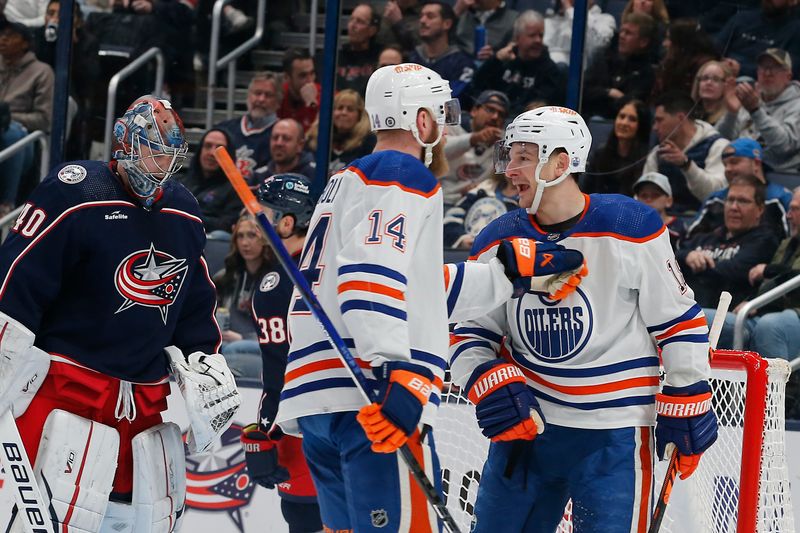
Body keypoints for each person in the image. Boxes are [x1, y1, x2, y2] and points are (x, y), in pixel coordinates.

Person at [272, 64, 587, 532]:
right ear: (422, 121)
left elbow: (410, 289)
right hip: (371, 396)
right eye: (441, 115)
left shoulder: (346, 181)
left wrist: (504, 276)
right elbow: (368, 274)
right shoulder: (403, 172)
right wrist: (397, 372)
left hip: (321, 400)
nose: (444, 129)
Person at [449, 105, 718, 532]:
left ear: (560, 163)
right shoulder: (497, 238)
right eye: (509, 156)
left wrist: (688, 391)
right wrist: (483, 375)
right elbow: (470, 331)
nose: (510, 170)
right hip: (529, 428)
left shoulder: (630, 226)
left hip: (613, 436)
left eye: (523, 157)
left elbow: (678, 321)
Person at [0, 95, 240, 532]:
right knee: (45, 517)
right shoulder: (76, 190)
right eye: (153, 148)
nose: (161, 162)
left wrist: (204, 356)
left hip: (144, 402)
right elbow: (19, 279)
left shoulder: (183, 211)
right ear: (124, 140)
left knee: (142, 520)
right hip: (66, 389)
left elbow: (195, 300)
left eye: (169, 152)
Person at [239, 173, 324, 533]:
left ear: (286, 223)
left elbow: (278, 374)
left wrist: (263, 432)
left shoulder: (275, 286)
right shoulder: (339, 265)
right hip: (356, 425)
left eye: (264, 214)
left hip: (302, 434)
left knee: (306, 522)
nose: (255, 223)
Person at [702, 186, 800, 356]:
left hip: (791, 315)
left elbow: (791, 281)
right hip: (763, 312)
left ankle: (775, 382)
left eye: (795, 209)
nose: (788, 215)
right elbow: (772, 284)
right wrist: (752, 301)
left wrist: (768, 270)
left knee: (769, 326)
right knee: (701, 319)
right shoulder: (787, 243)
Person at [676, 174, 780, 310]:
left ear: (760, 209)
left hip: (724, 314)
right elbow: (670, 260)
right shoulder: (706, 237)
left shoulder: (765, 240)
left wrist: (692, 267)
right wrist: (688, 256)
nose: (734, 207)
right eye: (730, 200)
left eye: (743, 201)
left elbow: (734, 271)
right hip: (687, 308)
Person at [686, 138, 792, 240]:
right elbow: (688, 239)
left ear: (756, 163)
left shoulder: (781, 198)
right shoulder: (715, 200)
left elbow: (791, 242)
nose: (727, 169)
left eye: (734, 162)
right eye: (725, 164)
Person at [463, 10, 563, 117]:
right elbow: (476, 84)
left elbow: (536, 107)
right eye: (532, 35)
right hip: (492, 115)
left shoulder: (550, 70)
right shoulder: (503, 59)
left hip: (519, 121)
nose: (538, 40)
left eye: (541, 35)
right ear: (517, 38)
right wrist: (495, 60)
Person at [716, 48, 800, 173]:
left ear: (788, 76)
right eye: (763, 68)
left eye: (775, 68)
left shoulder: (797, 105)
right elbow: (718, 141)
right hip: (734, 169)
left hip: (776, 175)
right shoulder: (749, 96)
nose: (767, 73)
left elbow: (785, 146)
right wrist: (731, 114)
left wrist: (756, 110)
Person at [643, 91, 728, 213]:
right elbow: (644, 197)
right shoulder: (657, 154)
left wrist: (687, 165)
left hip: (704, 224)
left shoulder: (717, 146)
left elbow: (714, 196)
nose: (655, 127)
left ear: (681, 118)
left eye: (660, 120)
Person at [213, 214, 272, 377]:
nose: (245, 243)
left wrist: (242, 337)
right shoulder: (224, 277)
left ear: (265, 239)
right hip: (226, 343)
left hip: (261, 344)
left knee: (231, 350)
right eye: (240, 236)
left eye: (252, 235)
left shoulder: (275, 279)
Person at [582, 12, 657, 119]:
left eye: (628, 33)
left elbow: (631, 104)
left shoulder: (646, 72)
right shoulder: (603, 58)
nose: (622, 36)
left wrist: (599, 96)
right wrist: (609, 92)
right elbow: (582, 90)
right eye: (622, 31)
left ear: (643, 42)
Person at [441, 89, 508, 207]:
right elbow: (437, 152)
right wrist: (473, 139)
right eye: (490, 109)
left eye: (501, 114)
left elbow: (501, 177)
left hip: (473, 204)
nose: (495, 117)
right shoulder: (451, 125)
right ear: (474, 111)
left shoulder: (502, 144)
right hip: (441, 199)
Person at [215, 71, 282, 184]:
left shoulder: (282, 136)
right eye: (257, 93)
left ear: (279, 101)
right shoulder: (225, 129)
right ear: (248, 96)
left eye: (268, 95)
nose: (261, 99)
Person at [177, 128, 241, 234]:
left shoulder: (235, 190)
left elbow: (227, 225)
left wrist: (188, 217)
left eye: (219, 148)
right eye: (207, 146)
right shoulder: (179, 183)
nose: (212, 153)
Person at [583, 97, 651, 196]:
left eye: (632, 119)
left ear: (641, 126)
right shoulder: (600, 153)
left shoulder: (646, 159)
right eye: (621, 116)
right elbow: (586, 190)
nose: (624, 123)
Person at [408, 1, 475, 98]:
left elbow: (454, 96)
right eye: (421, 16)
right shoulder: (411, 58)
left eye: (430, 16)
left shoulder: (462, 63)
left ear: (447, 24)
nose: (422, 20)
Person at [0, 19, 54, 133]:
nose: (3, 39)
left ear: (25, 44)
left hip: (20, 134)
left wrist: (7, 118)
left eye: (11, 35)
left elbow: (44, 120)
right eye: (2, 34)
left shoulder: (42, 72)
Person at [306, 89, 377, 174]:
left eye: (350, 109)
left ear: (359, 115)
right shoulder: (317, 138)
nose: (344, 113)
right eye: (340, 108)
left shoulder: (368, 142)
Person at [443, 172, 518, 249]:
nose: (511, 166)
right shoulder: (485, 188)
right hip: (464, 251)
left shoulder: (527, 201)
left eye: (523, 159)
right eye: (507, 160)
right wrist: (461, 239)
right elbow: (452, 217)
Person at [652, 18, 719, 99]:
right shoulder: (670, 61)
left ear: (681, 42)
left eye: (669, 39)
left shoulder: (703, 65)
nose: (664, 43)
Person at [543, 0, 616, 67]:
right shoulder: (550, 20)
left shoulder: (604, 19)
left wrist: (570, 9)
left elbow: (597, 45)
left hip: (577, 72)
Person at [633, 171, 685, 250]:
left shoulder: (679, 227)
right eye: (643, 195)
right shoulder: (631, 226)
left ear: (669, 201)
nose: (648, 199)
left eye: (655, 195)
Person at [253, 118, 316, 184]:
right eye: (275, 137)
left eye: (286, 138)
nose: (278, 143)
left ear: (300, 145)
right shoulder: (258, 176)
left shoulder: (316, 174)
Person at [337, 3, 381, 94]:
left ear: (372, 30)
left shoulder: (380, 57)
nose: (352, 26)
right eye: (351, 20)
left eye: (360, 21)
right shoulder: (336, 57)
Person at [453, 0, 517, 57]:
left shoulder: (515, 20)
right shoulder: (459, 12)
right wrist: (456, 12)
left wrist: (495, 56)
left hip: (490, 66)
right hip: (456, 62)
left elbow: (513, 55)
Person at [278, 48, 320, 133]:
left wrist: (313, 105)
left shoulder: (328, 97)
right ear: (286, 77)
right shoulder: (278, 96)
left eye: (312, 73)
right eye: (303, 76)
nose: (310, 81)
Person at [690, 60, 740, 128]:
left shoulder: (732, 117)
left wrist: (732, 113)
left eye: (716, 79)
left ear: (727, 85)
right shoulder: (688, 112)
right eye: (705, 78)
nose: (709, 82)